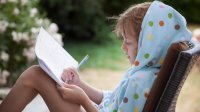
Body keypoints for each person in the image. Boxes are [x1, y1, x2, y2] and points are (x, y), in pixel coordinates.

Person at [0, 1, 192, 112]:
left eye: (129, 42)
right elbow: (112, 99)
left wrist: (83, 100)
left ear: (149, 44)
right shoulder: (147, 73)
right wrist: (80, 85)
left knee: (34, 75)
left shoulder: (140, 81)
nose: (123, 47)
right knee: (36, 74)